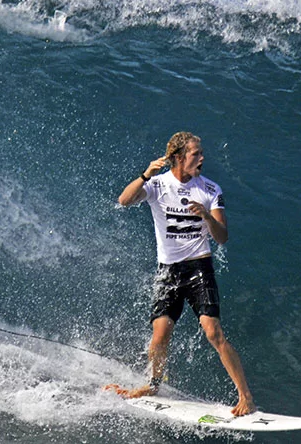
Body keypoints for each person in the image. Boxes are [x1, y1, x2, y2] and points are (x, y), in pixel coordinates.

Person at [105, 131, 256, 416]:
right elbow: (124, 200)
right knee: (160, 335)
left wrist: (207, 217)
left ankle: (246, 397)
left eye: (201, 153)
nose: (201, 158)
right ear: (178, 157)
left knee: (213, 332)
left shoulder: (210, 189)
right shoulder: (158, 185)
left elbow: (222, 237)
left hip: (199, 267)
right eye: (195, 154)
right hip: (168, 271)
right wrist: (145, 175)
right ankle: (153, 385)